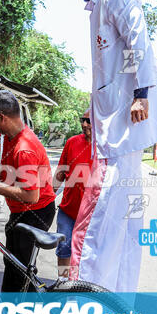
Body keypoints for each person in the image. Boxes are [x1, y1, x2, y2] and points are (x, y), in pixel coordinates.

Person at [57, 0, 157, 314]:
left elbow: (139, 39)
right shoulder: (96, 6)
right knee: (121, 235)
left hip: (122, 125)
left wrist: (142, 94)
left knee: (94, 228)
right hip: (114, 128)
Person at [0, 90, 55, 292]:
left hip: (35, 212)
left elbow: (31, 196)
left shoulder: (24, 148)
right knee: (13, 264)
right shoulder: (11, 137)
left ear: (1, 117)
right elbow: (4, 169)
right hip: (22, 212)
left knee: (18, 271)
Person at [52, 108, 93, 279]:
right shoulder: (72, 142)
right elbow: (61, 172)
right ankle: (63, 283)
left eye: (88, 121)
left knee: (87, 253)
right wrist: (48, 197)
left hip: (93, 215)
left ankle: (81, 285)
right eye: (82, 120)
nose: (84, 124)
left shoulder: (105, 147)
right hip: (68, 210)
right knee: (63, 248)